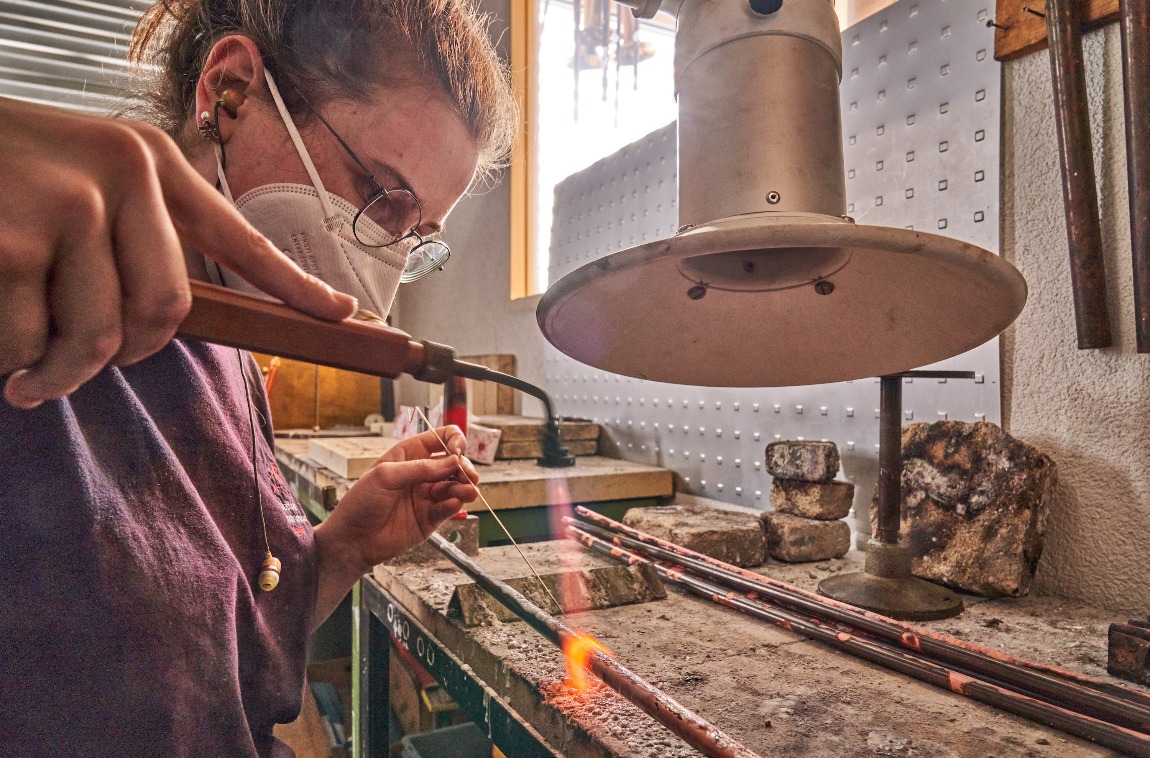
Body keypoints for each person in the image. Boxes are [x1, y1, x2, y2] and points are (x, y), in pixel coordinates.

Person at [0, 1, 518, 755]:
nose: (387, 256)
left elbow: (207, 657)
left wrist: (339, 551)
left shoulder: (234, 356)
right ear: (231, 91)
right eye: (381, 194)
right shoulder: (30, 297)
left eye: (414, 234)